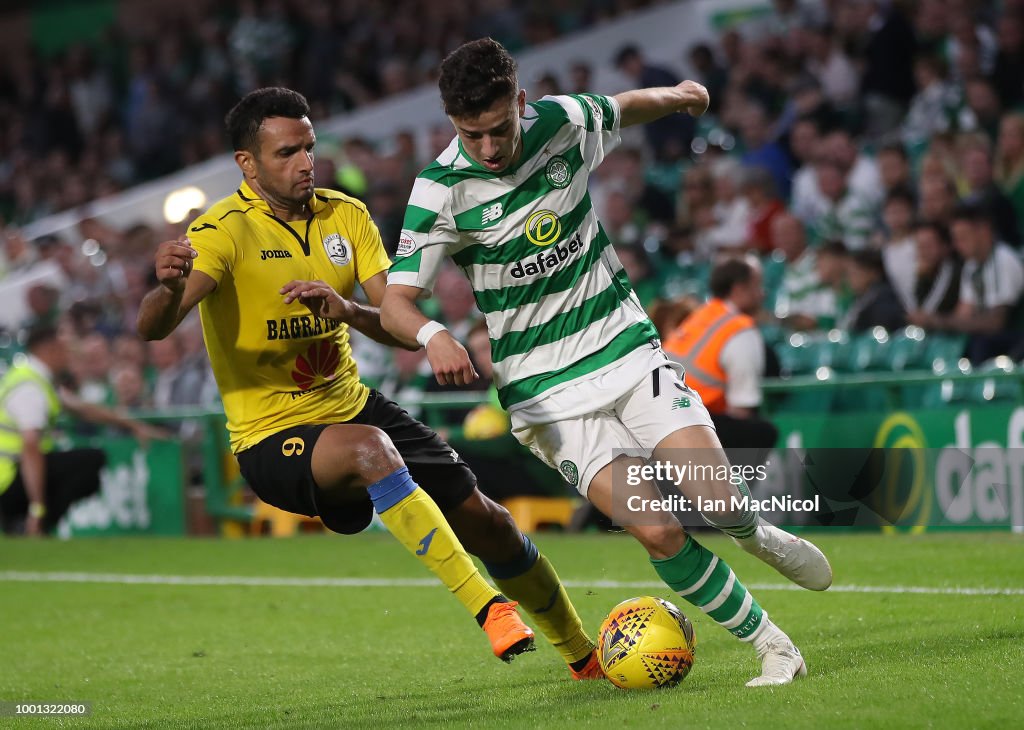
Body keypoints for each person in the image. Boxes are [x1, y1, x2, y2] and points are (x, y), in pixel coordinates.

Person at [381, 38, 832, 687]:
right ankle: (774, 645)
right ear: (453, 123)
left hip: (625, 351)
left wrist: (678, 97)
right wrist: (431, 334)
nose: (488, 147)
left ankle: (755, 532)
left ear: (521, 102)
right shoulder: (440, 190)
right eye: (471, 134)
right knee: (656, 529)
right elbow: (397, 300)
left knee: (717, 499)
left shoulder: (562, 125)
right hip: (545, 395)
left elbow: (622, 106)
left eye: (499, 128)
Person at [136, 87, 601, 678]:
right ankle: (489, 608)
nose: (305, 162)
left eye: (308, 147)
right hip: (271, 437)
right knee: (369, 448)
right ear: (246, 164)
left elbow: (398, 324)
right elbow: (154, 327)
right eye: (286, 153)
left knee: (492, 522)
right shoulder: (222, 232)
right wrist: (171, 287)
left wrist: (351, 312)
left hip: (354, 406)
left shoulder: (345, 215)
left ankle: (584, 658)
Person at [0, 324, 166, 536]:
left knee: (83, 463)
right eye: (64, 347)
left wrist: (134, 425)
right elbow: (30, 446)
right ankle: (32, 522)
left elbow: (83, 409)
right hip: (8, 478)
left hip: (9, 475)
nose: (69, 354)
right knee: (90, 462)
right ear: (49, 349)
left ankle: (24, 523)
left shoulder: (33, 378)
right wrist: (37, 507)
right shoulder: (30, 388)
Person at [662, 257, 779, 456]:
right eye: (757, 286)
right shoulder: (740, 330)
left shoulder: (699, 316)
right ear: (739, 290)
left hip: (662, 415)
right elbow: (743, 407)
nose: (763, 294)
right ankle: (731, 487)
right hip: (693, 421)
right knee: (762, 432)